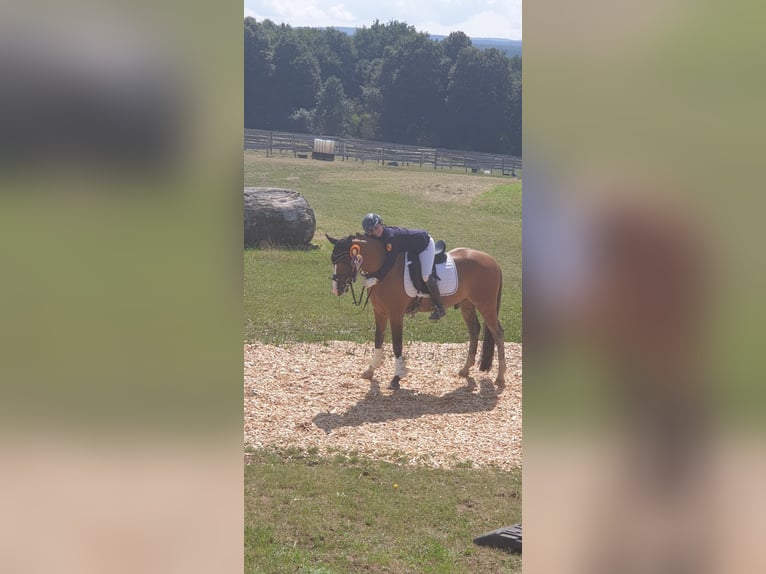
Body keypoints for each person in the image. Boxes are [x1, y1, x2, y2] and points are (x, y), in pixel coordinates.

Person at [361, 213, 446, 320]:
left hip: (424, 245)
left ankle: (439, 307)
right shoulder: (380, 235)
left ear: (381, 224)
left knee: (425, 276)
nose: (376, 231)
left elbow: (390, 262)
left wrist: (376, 278)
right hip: (411, 248)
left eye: (376, 227)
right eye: (372, 230)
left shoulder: (390, 237)